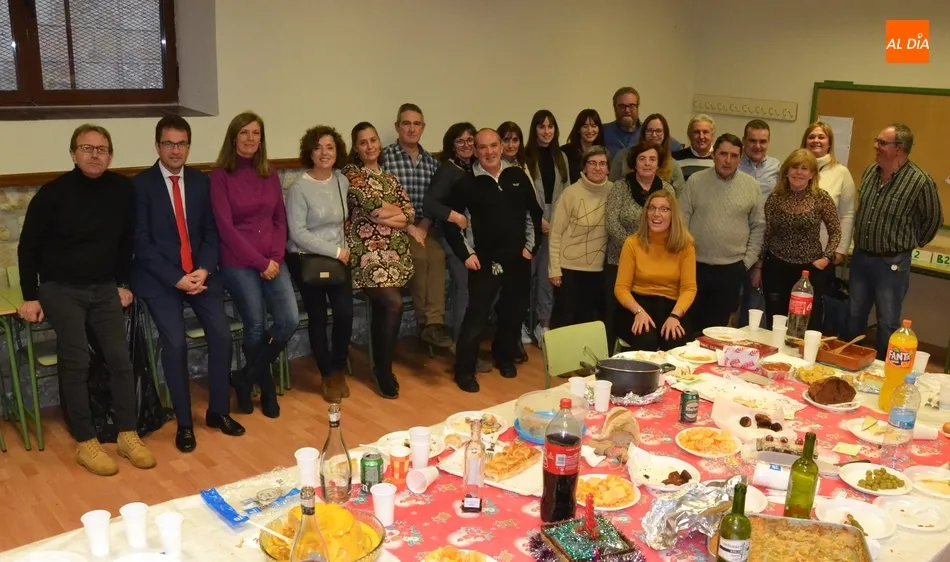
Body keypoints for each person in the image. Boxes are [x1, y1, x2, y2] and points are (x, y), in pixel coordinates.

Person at [18, 124, 156, 476]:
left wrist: (123, 283)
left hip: (104, 287)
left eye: (102, 149)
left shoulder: (122, 190)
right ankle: (85, 441)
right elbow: (27, 248)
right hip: (60, 288)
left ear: (110, 155)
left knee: (120, 359)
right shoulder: (52, 194)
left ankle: (127, 433)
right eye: (87, 148)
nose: (95, 155)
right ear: (73, 153)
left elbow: (127, 242)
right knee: (76, 358)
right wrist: (30, 297)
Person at [132, 116, 244, 453]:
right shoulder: (140, 185)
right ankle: (183, 422)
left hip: (199, 275)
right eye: (169, 143)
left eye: (181, 143)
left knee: (222, 336)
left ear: (189, 147)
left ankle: (217, 412)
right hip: (160, 279)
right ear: (157, 146)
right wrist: (176, 277)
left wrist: (204, 270)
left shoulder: (200, 182)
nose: (176, 150)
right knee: (176, 343)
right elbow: (141, 242)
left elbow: (211, 233)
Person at [210, 112, 299, 419]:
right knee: (256, 325)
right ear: (233, 137)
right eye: (244, 132)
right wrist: (260, 262)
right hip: (238, 261)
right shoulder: (221, 175)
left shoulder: (269, 172)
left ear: (262, 139)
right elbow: (225, 227)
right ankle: (267, 385)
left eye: (256, 133)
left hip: (272, 259)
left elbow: (279, 219)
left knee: (288, 319)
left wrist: (274, 258)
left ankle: (245, 378)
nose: (250, 138)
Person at [444, 128, 542, 393]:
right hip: (485, 260)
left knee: (513, 312)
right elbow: (450, 224)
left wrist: (530, 247)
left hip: (518, 257)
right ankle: (464, 369)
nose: (489, 152)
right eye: (482, 147)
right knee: (476, 316)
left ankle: (505, 357)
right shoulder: (466, 183)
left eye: (494, 145)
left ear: (501, 147)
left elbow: (534, 213)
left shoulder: (518, 176)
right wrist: (468, 254)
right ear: (475, 151)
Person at [845, 123, 943, 358]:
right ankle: (846, 363)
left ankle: (882, 372)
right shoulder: (870, 171)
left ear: (899, 148)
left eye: (881, 143)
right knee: (854, 314)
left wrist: (911, 242)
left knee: (887, 321)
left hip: (892, 264)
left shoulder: (920, 181)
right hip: (861, 257)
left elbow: (933, 219)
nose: (875, 146)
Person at [342, 122, 415, 399]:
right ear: (356, 148)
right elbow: (371, 210)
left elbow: (409, 212)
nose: (370, 146)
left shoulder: (390, 177)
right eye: (363, 142)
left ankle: (379, 365)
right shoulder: (351, 174)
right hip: (366, 252)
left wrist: (393, 215)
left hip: (396, 252)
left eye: (373, 140)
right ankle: (384, 369)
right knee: (392, 302)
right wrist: (396, 215)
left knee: (388, 305)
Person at [285, 126, 354, 403]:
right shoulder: (299, 186)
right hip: (307, 258)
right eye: (318, 147)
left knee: (345, 314)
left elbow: (341, 223)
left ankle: (338, 369)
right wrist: (336, 251)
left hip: (339, 258)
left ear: (337, 151)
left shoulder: (341, 180)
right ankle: (326, 374)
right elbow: (298, 233)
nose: (324, 153)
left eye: (329, 147)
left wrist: (342, 250)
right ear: (309, 152)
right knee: (318, 316)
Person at [422, 123, 492, 374]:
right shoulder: (449, 170)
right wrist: (454, 216)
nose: (466, 145)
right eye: (460, 141)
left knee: (476, 292)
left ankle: (469, 346)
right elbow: (428, 203)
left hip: (474, 239)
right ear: (451, 145)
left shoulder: (474, 168)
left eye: (470, 140)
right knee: (465, 291)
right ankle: (464, 352)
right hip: (452, 239)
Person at [380, 104, 452, 349]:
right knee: (419, 256)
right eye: (406, 123)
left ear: (423, 127)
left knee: (438, 254)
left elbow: (436, 200)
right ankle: (425, 323)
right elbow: (381, 200)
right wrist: (408, 225)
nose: (412, 129)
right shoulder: (384, 158)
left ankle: (435, 323)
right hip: (393, 229)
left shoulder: (432, 163)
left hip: (424, 227)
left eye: (416, 124)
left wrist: (424, 224)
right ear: (397, 127)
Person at [679, 133, 764, 334]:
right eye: (723, 154)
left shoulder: (752, 186)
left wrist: (747, 262)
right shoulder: (695, 181)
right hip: (694, 266)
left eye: (734, 155)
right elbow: (681, 220)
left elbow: (759, 226)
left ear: (740, 158)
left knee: (715, 331)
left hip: (731, 270)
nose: (728, 160)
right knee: (688, 326)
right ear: (713, 155)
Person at [753, 149, 841, 331]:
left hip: (808, 271)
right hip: (776, 267)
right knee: (776, 320)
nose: (798, 172)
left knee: (807, 323)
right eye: (794, 167)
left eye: (804, 168)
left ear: (812, 174)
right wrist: (759, 266)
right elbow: (767, 233)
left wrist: (826, 258)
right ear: (786, 171)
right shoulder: (775, 198)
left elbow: (836, 231)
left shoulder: (821, 198)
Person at [604, 141, 675, 351]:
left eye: (652, 159)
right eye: (642, 158)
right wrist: (635, 248)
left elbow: (671, 223)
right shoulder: (620, 187)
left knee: (646, 324)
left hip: (653, 267)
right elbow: (611, 222)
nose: (647, 163)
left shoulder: (667, 189)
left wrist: (647, 252)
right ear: (634, 162)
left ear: (658, 164)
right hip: (618, 263)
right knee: (615, 316)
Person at [614, 190, 696, 351]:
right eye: (652, 208)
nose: (656, 214)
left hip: (671, 306)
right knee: (646, 341)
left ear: (673, 215)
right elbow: (621, 288)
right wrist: (638, 312)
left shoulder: (685, 246)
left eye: (664, 209)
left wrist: (675, 316)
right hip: (637, 305)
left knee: (676, 342)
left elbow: (689, 288)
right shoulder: (632, 243)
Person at [548, 146, 611, 328]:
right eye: (592, 163)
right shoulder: (570, 193)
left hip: (599, 271)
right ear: (583, 167)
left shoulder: (613, 191)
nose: (597, 168)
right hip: (568, 271)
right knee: (565, 321)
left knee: (589, 323)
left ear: (608, 168)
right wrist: (554, 270)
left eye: (602, 164)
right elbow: (555, 234)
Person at [525, 110, 569, 344]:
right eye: (541, 126)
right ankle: (523, 323)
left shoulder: (561, 157)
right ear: (534, 130)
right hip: (532, 224)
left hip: (556, 224)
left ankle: (544, 325)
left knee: (547, 278)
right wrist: (539, 219)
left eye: (550, 126)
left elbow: (567, 193)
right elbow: (525, 195)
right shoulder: (525, 157)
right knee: (526, 277)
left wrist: (557, 223)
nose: (546, 131)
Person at [736, 119, 781, 328]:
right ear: (744, 141)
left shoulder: (777, 168)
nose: (757, 146)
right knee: (731, 303)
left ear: (769, 142)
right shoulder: (734, 163)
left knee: (754, 309)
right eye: (752, 140)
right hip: (734, 240)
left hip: (762, 244)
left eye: (763, 141)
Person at [801, 121, 856, 266]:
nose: (816, 141)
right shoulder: (793, 170)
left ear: (829, 143)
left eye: (821, 137)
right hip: (791, 251)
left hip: (824, 252)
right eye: (811, 137)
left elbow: (848, 214)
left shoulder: (841, 173)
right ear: (805, 142)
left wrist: (841, 249)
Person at [609, 113, 685, 192]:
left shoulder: (673, 165)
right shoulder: (623, 156)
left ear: (665, 134)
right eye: (649, 131)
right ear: (643, 133)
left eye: (658, 131)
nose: (654, 135)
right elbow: (612, 187)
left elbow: (679, 197)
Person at [561, 109, 605, 184]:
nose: (590, 130)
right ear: (578, 129)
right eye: (585, 126)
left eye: (594, 126)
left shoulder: (603, 152)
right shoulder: (565, 152)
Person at [671, 114, 716, 181]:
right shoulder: (674, 159)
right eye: (696, 132)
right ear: (689, 135)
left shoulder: (720, 158)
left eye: (705, 132)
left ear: (712, 135)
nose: (701, 136)